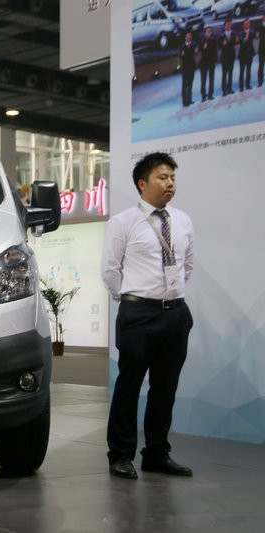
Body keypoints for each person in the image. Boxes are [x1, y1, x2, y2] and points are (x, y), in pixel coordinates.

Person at [100, 153, 195, 479]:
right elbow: (110, 270)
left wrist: (170, 295)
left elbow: (187, 265)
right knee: (129, 386)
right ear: (143, 183)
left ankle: (156, 453)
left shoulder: (182, 220)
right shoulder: (123, 221)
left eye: (172, 178)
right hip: (139, 314)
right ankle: (120, 455)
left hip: (176, 314)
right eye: (162, 177)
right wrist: (131, 298)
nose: (170, 183)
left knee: (165, 389)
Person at [179, 31, 198, 106]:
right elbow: (180, 56)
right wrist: (182, 54)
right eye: (188, 36)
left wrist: (195, 51)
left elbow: (195, 52)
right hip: (184, 68)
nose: (189, 37)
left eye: (190, 36)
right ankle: (184, 101)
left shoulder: (194, 44)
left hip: (192, 67)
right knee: (184, 84)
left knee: (190, 84)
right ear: (185, 37)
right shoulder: (182, 46)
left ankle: (189, 99)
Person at [219, 19, 237, 96]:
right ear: (224, 26)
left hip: (231, 56)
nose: (229, 26)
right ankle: (224, 90)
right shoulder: (221, 36)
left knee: (230, 73)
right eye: (227, 25)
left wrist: (236, 41)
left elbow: (235, 43)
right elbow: (219, 47)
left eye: (230, 24)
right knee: (224, 74)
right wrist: (223, 44)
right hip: (224, 58)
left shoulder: (234, 34)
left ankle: (229, 89)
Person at [199, 27, 217, 101]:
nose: (209, 33)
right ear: (205, 33)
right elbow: (199, 50)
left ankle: (210, 94)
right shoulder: (202, 41)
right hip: (203, 62)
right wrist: (203, 47)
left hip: (211, 62)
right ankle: (203, 95)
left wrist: (215, 61)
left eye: (210, 31)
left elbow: (215, 51)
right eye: (207, 32)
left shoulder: (213, 40)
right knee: (203, 79)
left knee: (211, 79)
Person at [238, 18, 254, 91]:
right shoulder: (240, 33)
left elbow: (255, 36)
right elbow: (243, 40)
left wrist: (249, 33)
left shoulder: (252, 32)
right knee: (242, 70)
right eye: (246, 23)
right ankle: (241, 86)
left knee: (248, 70)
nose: (247, 25)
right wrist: (247, 34)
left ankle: (248, 84)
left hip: (250, 54)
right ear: (243, 25)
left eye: (248, 23)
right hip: (242, 55)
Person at [257, 14, 265, 86]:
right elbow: (258, 35)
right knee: (261, 65)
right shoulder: (259, 26)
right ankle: (260, 81)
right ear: (263, 17)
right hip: (262, 48)